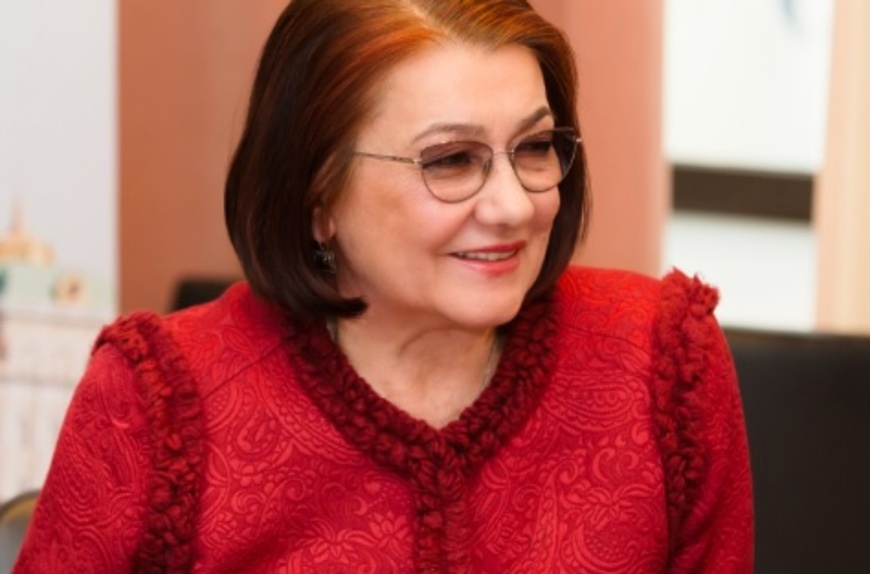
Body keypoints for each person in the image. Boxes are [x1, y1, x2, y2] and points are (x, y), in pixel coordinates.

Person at [14, 0, 753, 572]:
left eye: (534, 147)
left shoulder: (662, 364)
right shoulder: (158, 403)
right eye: (452, 160)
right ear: (318, 195)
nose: (513, 206)